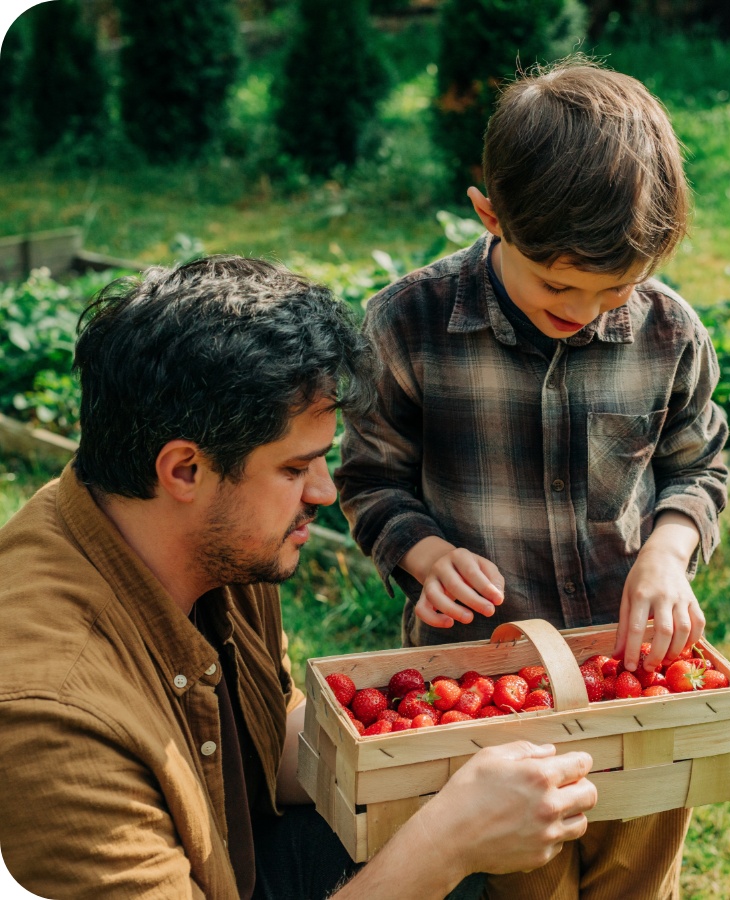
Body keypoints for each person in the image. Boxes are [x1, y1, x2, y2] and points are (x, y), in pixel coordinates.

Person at [0, 257, 597, 900]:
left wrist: (435, 743)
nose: (324, 489)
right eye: (295, 468)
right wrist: (445, 844)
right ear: (184, 471)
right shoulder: (54, 719)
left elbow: (266, 742)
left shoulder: (203, 538)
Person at [335, 58, 729, 899]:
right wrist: (423, 553)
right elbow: (369, 477)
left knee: (638, 854)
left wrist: (667, 549)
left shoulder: (666, 332)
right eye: (558, 284)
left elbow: (697, 464)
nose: (585, 309)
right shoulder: (409, 325)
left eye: (615, 288)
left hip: (633, 669)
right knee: (520, 876)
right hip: (482, 684)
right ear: (489, 214)